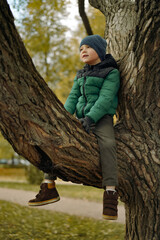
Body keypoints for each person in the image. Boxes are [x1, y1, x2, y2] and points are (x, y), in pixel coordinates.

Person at [28, 34, 120, 220]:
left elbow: (106, 98)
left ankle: (110, 192)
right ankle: (49, 185)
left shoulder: (111, 72)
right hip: (80, 118)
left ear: (100, 51)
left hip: (101, 118)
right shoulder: (81, 74)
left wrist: (91, 118)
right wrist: (61, 118)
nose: (83, 51)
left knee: (108, 144)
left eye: (88, 47)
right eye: (80, 49)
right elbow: (72, 97)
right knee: (55, 138)